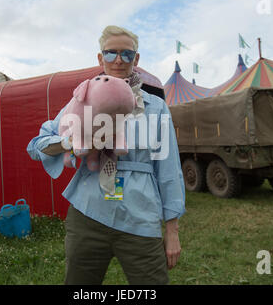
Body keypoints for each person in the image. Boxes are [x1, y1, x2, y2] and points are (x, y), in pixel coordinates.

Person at [27, 25, 185, 285]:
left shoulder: (155, 108)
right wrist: (71, 142)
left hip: (140, 215)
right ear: (100, 59)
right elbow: (37, 145)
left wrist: (172, 229)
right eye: (111, 54)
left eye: (127, 54)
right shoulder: (81, 100)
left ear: (137, 59)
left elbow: (169, 169)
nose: (119, 60)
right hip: (88, 214)